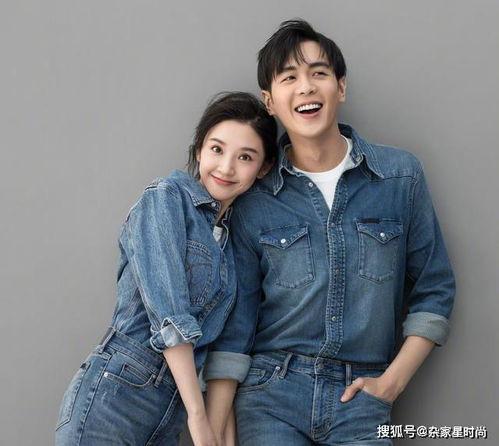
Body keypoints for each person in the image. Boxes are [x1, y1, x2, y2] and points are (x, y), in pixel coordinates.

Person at [204, 20, 456, 445]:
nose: (305, 87)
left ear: (340, 87)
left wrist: (391, 384)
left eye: (318, 73)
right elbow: (237, 324)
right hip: (270, 395)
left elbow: (435, 288)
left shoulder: (399, 177)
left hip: (362, 398)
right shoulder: (255, 198)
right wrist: (212, 431)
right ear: (269, 101)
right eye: (289, 77)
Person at [54, 92, 277, 446]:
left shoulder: (233, 242)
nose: (226, 167)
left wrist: (214, 425)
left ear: (263, 168)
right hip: (115, 398)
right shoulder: (165, 199)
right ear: (199, 149)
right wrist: (198, 417)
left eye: (245, 157)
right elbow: (169, 315)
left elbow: (233, 341)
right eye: (217, 149)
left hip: (170, 411)